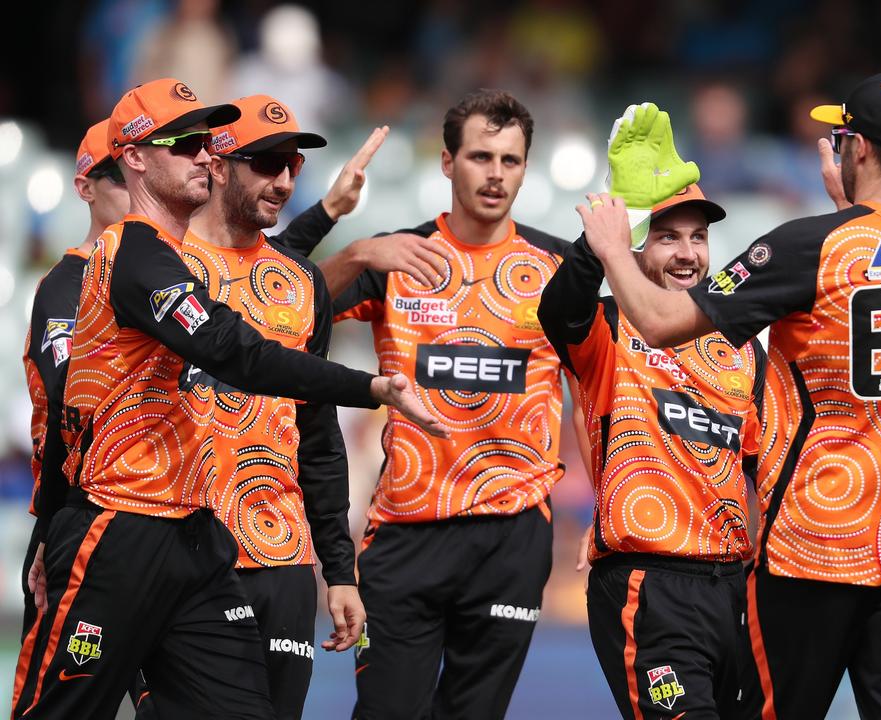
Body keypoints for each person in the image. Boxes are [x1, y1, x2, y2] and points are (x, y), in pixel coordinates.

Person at [9, 77, 443, 719]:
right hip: (119, 523)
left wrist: (329, 221)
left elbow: (264, 289)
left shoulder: (195, 262)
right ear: (132, 159)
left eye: (205, 144)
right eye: (183, 145)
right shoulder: (126, 255)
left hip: (207, 537)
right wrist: (371, 386)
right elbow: (231, 345)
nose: (201, 156)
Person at [576, 76, 881, 719]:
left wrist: (610, 250)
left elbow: (659, 322)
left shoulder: (808, 245)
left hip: (818, 541)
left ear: (855, 149)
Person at [325, 88, 577, 719]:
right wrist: (355, 252)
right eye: (480, 156)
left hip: (510, 536)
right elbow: (280, 311)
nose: (495, 175)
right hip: (407, 533)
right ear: (446, 162)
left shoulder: (558, 267)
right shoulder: (394, 256)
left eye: (510, 161)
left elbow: (610, 378)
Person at [126, 94, 363, 720]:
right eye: (266, 163)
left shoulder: (302, 283)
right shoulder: (157, 268)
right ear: (220, 165)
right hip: (177, 549)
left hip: (280, 555)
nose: (284, 181)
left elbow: (318, 434)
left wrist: (339, 569)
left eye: (293, 166)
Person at [541, 147, 763, 718]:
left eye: (698, 238)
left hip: (734, 591)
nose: (688, 254)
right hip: (649, 584)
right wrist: (599, 247)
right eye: (667, 237)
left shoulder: (742, 350)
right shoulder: (609, 327)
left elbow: (758, 472)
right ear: (635, 246)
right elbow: (558, 310)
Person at [12, 119, 129, 705]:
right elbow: (72, 399)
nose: (137, 187)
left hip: (172, 528)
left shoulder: (183, 276)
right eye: (118, 175)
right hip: (87, 520)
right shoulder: (66, 285)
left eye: (145, 170)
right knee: (63, 701)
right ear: (86, 186)